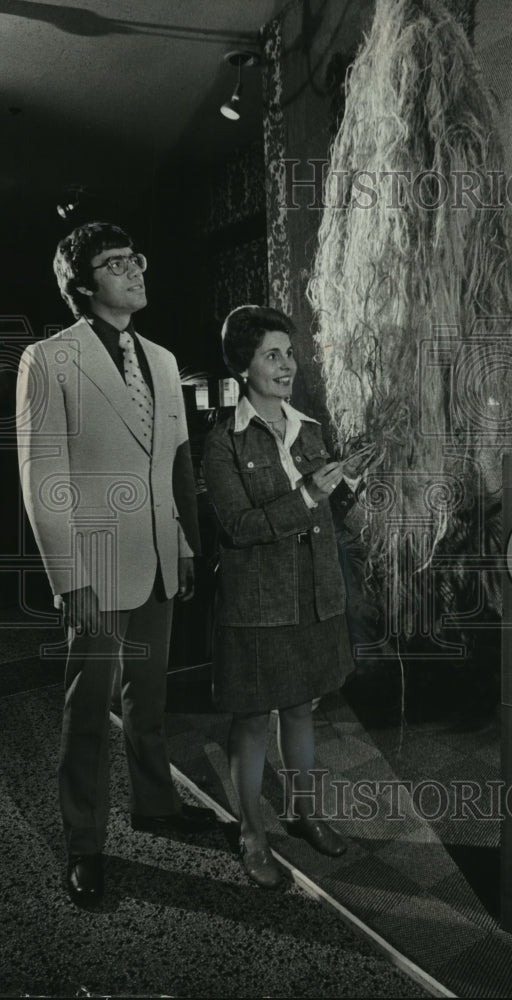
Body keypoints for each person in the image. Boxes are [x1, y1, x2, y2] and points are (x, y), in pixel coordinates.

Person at [15, 221, 216, 908]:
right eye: (116, 263)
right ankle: (84, 846)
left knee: (148, 699)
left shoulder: (161, 358)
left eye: (137, 257)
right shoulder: (48, 359)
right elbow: (43, 480)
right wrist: (71, 580)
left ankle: (155, 803)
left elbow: (175, 465)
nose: (134, 270)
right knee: (88, 710)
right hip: (95, 566)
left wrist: (184, 546)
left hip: (159, 557)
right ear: (82, 283)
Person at [203, 305, 366, 888]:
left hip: (314, 599)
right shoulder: (222, 443)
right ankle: (251, 832)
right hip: (257, 606)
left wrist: (347, 491)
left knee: (301, 708)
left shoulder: (311, 429)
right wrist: (306, 495)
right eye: (272, 354)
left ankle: (302, 812)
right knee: (251, 720)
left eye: (289, 353)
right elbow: (239, 527)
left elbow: (326, 515)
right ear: (243, 364)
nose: (286, 364)